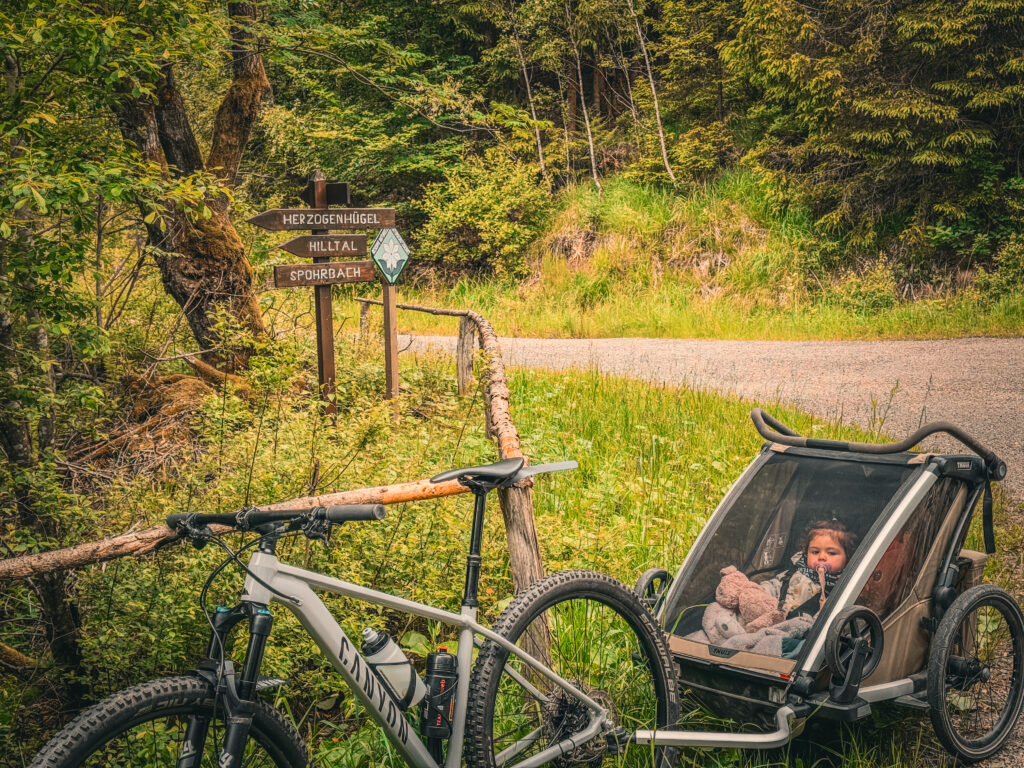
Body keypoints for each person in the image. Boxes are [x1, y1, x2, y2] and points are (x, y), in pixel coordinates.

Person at [760, 518, 858, 618]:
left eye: (831, 553)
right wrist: (760, 592)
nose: (821, 557)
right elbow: (775, 586)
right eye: (815, 552)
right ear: (806, 553)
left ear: (847, 558)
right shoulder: (795, 573)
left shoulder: (845, 588)